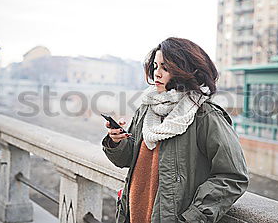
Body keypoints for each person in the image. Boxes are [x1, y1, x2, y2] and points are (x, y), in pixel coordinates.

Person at [102, 37, 249, 223]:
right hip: (133, 215)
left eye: (166, 67)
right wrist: (117, 141)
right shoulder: (146, 108)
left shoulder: (205, 115)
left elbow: (233, 176)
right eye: (155, 66)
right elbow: (127, 159)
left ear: (184, 70)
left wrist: (193, 217)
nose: (157, 74)